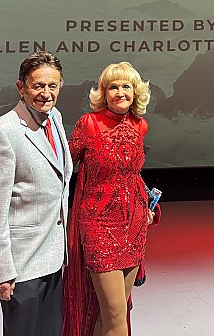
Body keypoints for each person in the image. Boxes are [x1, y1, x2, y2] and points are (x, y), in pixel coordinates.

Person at [0, 52, 73, 336]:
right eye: (38, 86)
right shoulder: (3, 132)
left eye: (53, 86)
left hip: (54, 258)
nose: (46, 93)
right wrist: (0, 272)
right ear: (21, 87)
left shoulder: (55, 118)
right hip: (22, 266)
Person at [63, 61, 157, 336]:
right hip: (98, 227)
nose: (120, 92)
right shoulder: (89, 123)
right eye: (113, 87)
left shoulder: (140, 126)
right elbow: (64, 167)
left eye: (126, 86)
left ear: (135, 91)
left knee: (114, 315)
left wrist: (147, 202)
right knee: (116, 317)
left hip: (134, 226)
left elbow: (132, 174)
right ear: (103, 93)